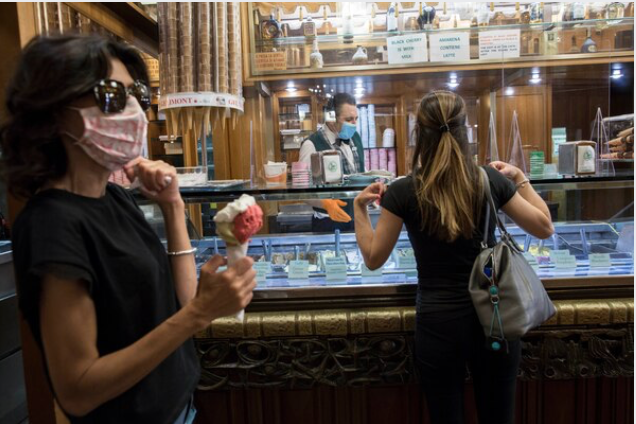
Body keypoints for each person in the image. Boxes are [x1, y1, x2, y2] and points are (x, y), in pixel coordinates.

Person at [0, 34, 256, 423]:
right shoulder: (51, 223)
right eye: (111, 95)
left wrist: (172, 206)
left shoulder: (115, 199)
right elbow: (78, 389)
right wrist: (198, 314)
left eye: (135, 94)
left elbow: (183, 303)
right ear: (54, 109)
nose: (134, 110)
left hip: (181, 411)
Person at [353, 91, 554, 424]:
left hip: (438, 324)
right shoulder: (489, 180)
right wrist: (520, 179)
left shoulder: (403, 191)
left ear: (419, 134)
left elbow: (374, 258)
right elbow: (544, 226)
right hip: (495, 319)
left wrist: (359, 208)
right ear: (465, 132)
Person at [299, 93, 365, 232]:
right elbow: (302, 191)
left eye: (356, 119)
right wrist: (325, 203)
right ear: (331, 118)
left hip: (357, 218)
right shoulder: (311, 145)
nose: (354, 124)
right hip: (327, 222)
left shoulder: (356, 138)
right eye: (348, 119)